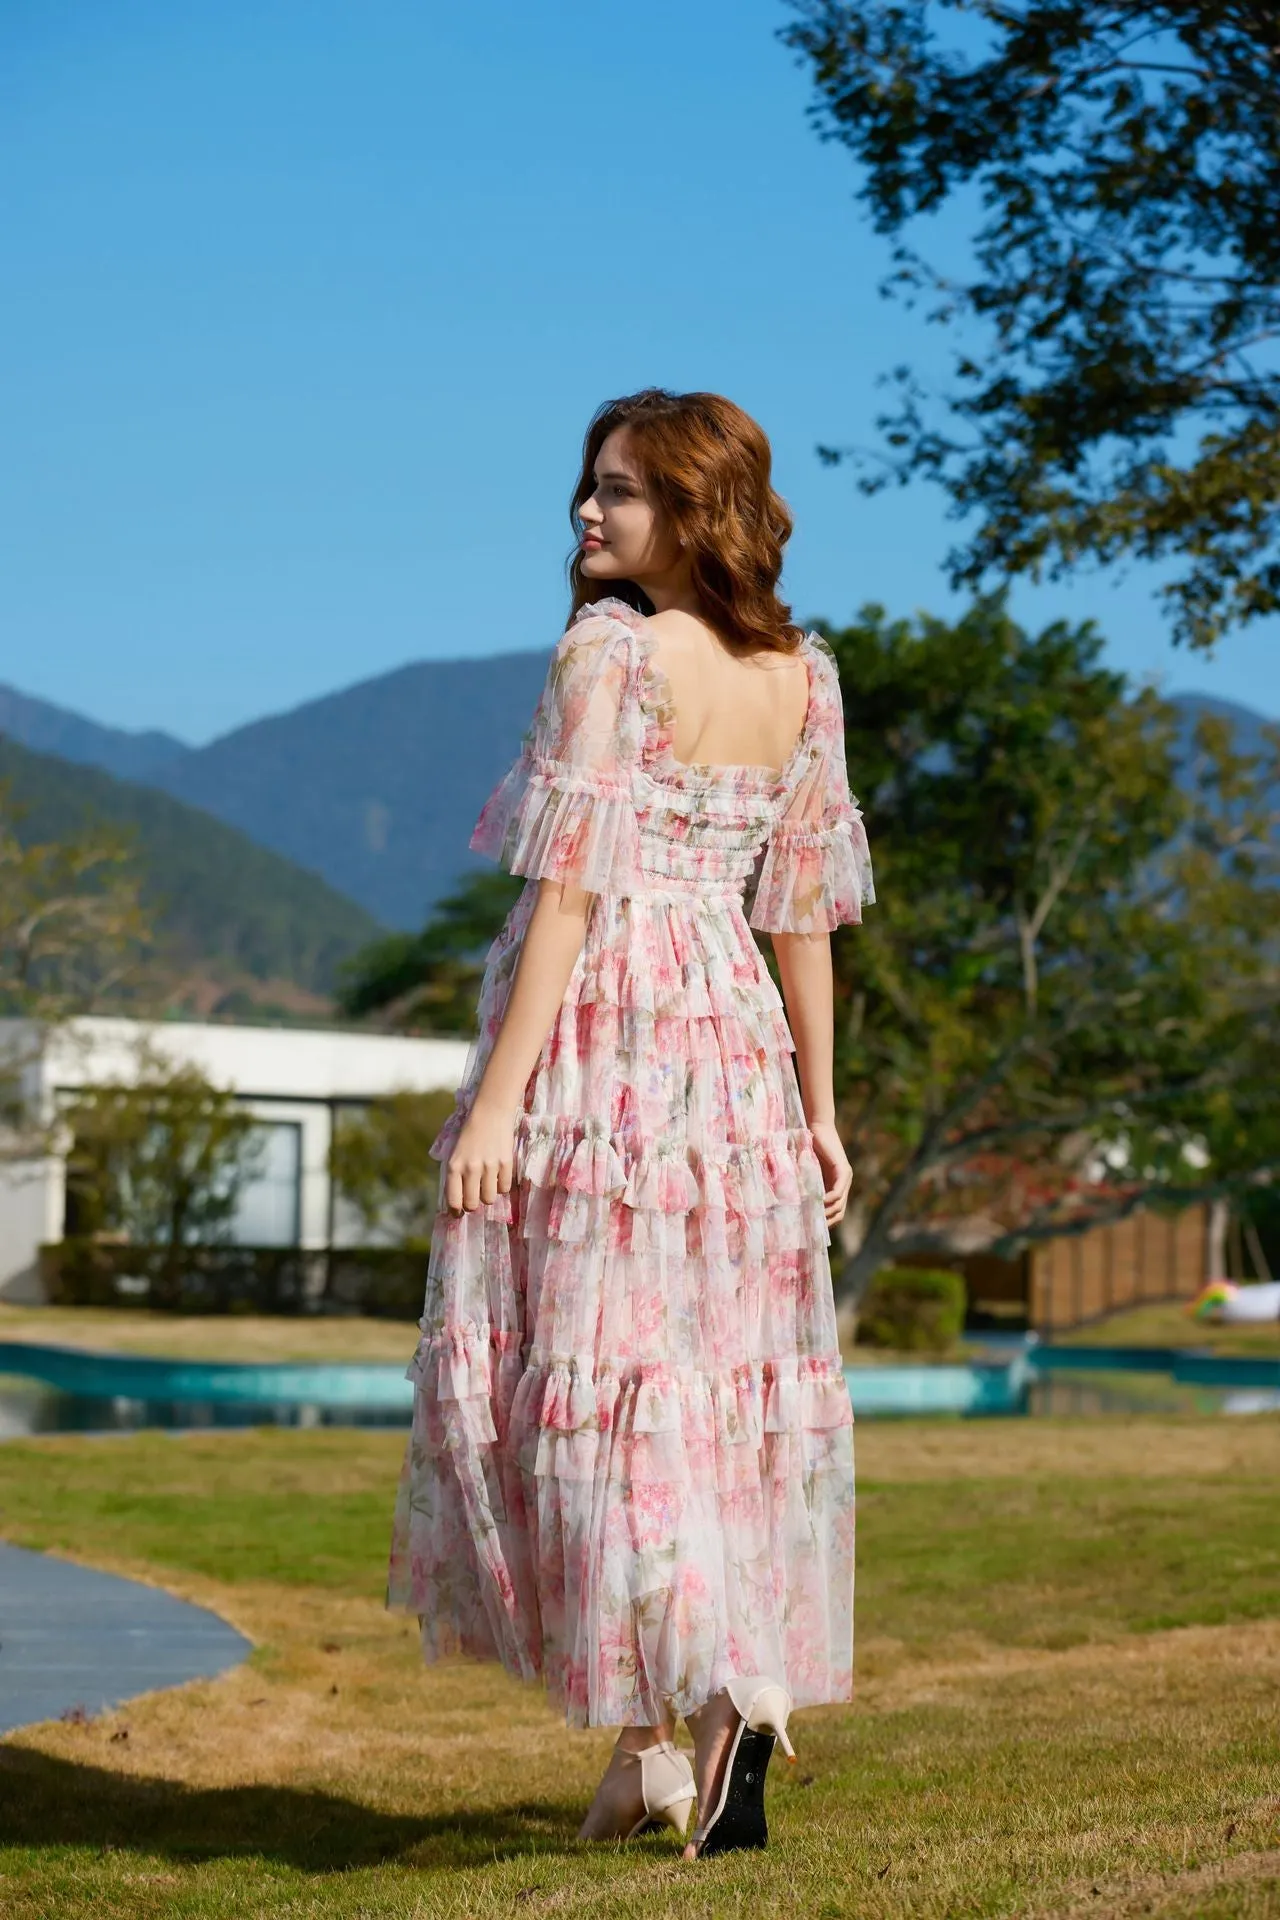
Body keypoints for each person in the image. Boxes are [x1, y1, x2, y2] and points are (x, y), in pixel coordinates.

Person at [387, 387, 874, 1860]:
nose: (588, 516)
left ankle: (715, 1702)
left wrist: (501, 1095)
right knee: (691, 1389)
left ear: (695, 506)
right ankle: (653, 1750)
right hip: (726, 1052)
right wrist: (819, 1110)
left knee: (590, 1379)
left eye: (622, 492)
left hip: (608, 1046)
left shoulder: (608, 653)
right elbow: (800, 921)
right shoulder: (805, 678)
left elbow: (572, 897)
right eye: (588, 488)